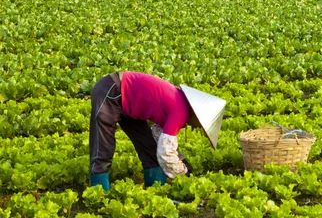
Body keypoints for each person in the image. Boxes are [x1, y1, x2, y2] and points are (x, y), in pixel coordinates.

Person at [89, 72, 226, 191]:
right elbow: (165, 152)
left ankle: (155, 191)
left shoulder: (180, 104)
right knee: (103, 148)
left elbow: (159, 135)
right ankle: (99, 194)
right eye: (200, 125)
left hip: (130, 104)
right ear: (197, 115)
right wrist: (182, 173)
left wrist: (179, 159)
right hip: (111, 89)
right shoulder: (180, 111)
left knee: (149, 148)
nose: (198, 128)